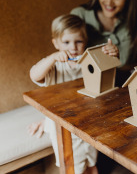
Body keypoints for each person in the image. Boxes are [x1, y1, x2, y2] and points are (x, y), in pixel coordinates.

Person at [28, 14, 118, 174]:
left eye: (78, 41)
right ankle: (46, 122)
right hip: (62, 122)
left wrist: (112, 55)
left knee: (91, 161)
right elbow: (34, 75)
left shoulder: (88, 62)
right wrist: (52, 58)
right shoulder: (54, 67)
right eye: (66, 42)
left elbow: (108, 72)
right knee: (74, 166)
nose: (73, 47)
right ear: (56, 43)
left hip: (86, 118)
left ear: (85, 42)